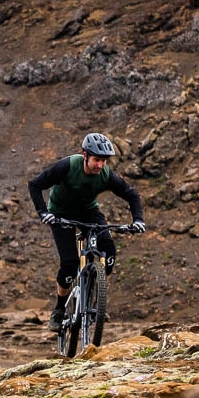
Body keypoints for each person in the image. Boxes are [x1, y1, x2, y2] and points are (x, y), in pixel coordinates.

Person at [27, 132, 146, 331]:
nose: (100, 165)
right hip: (60, 213)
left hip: (88, 212)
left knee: (108, 249)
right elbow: (35, 184)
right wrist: (43, 212)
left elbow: (132, 195)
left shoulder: (106, 175)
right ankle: (58, 310)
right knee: (70, 265)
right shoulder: (67, 166)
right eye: (97, 160)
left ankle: (97, 303)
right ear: (85, 155)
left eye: (104, 161)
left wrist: (138, 220)